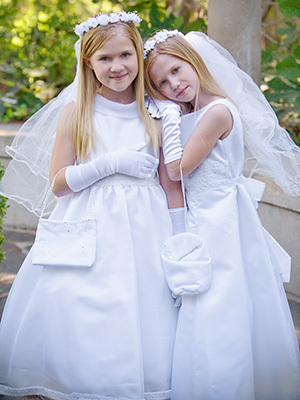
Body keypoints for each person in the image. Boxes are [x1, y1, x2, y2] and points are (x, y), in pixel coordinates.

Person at [0, 14, 183, 400]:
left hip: (145, 228)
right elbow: (58, 183)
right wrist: (109, 164)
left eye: (125, 55)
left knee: (142, 306)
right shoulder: (78, 111)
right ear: (88, 62)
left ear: (138, 54)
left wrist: (180, 238)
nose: (117, 67)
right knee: (84, 304)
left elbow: (171, 184)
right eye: (104, 59)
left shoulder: (157, 110)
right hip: (89, 223)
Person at [143, 30, 300, 400]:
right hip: (200, 213)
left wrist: (164, 117)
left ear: (194, 61)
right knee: (197, 297)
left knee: (218, 299)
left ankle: (226, 385)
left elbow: (178, 168)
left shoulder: (215, 111)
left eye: (177, 71)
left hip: (220, 220)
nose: (174, 84)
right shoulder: (190, 111)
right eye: (161, 83)